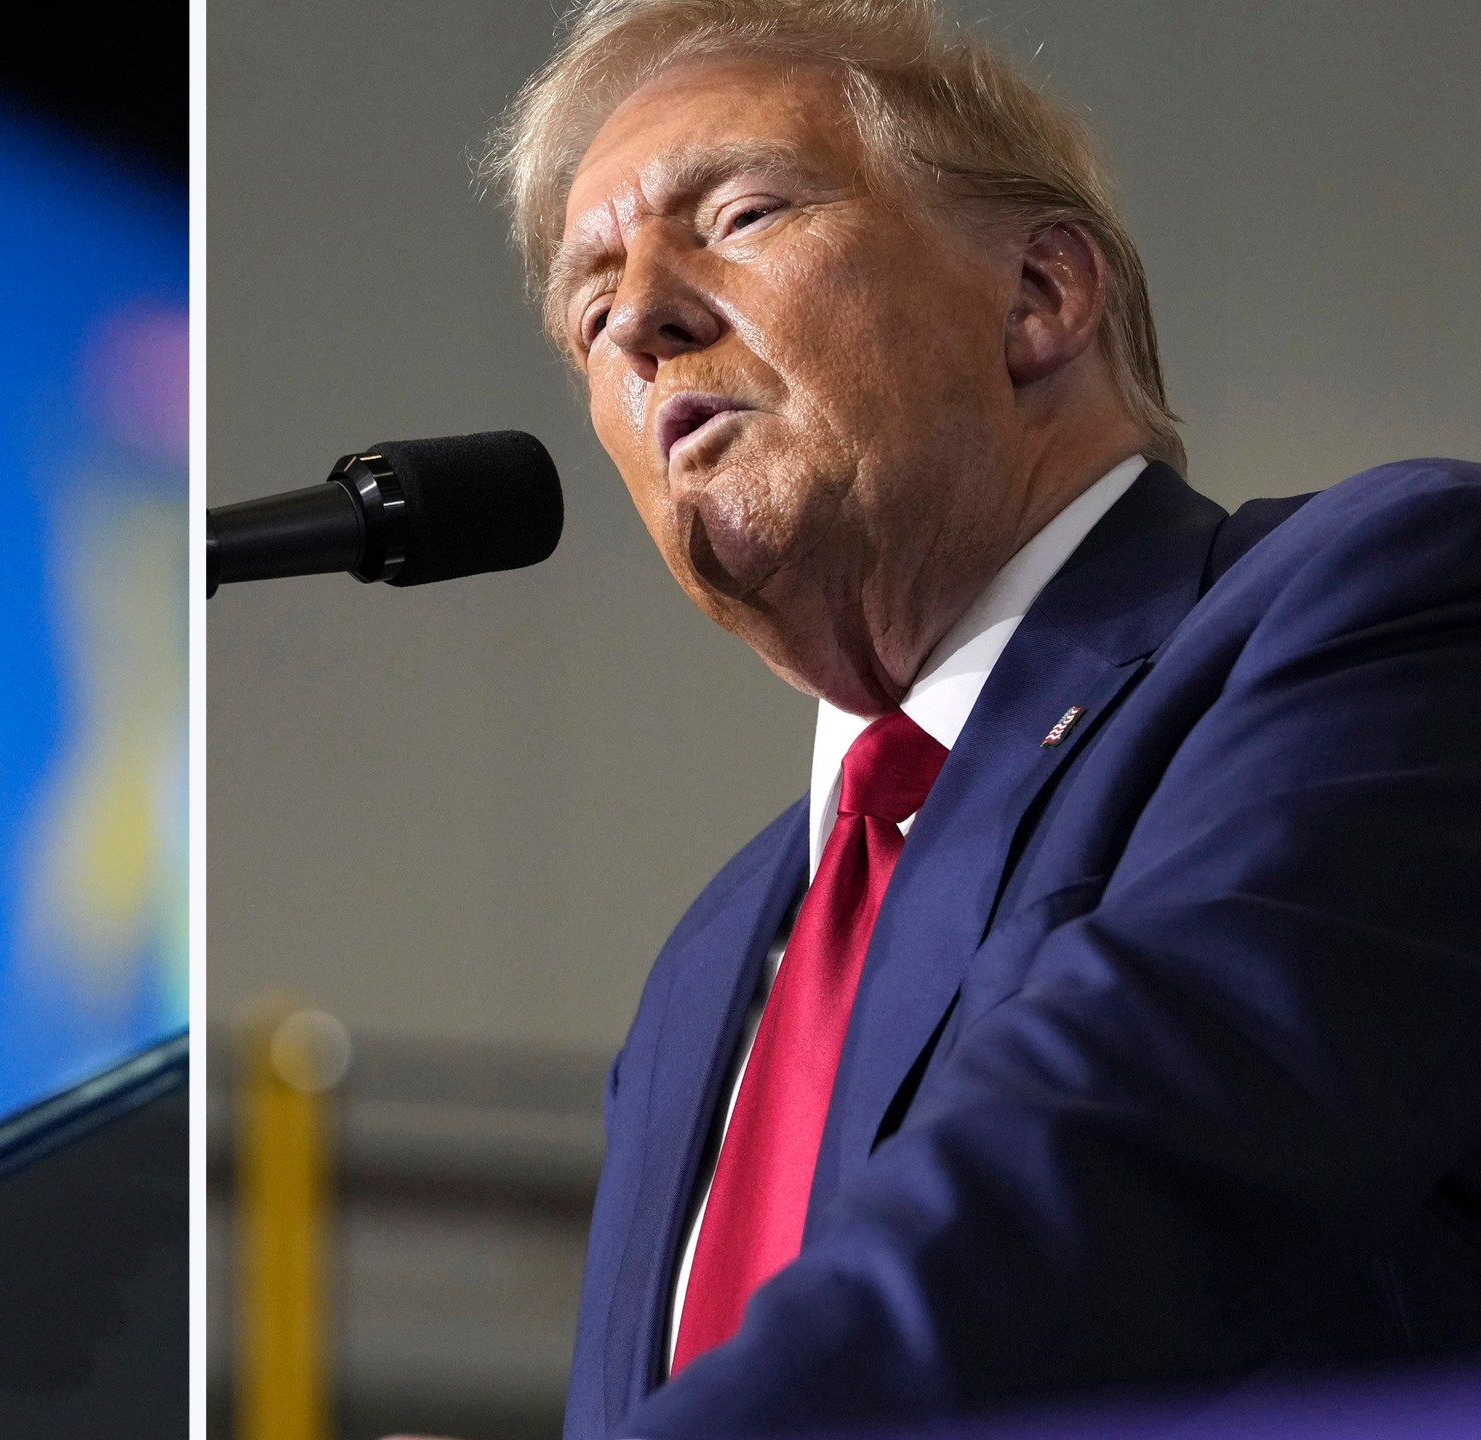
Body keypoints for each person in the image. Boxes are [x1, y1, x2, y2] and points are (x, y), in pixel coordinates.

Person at [472, 0, 1481, 1434]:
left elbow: (1107, 1175)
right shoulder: (708, 961)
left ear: (1040, 298)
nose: (638, 318)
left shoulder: (1377, 605)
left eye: (743, 213)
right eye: (588, 310)